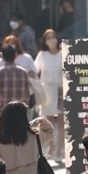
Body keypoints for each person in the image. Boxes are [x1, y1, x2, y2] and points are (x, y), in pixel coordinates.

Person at [34, 29, 64, 162]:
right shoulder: (42, 54)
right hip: (46, 89)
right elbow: (34, 70)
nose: (51, 40)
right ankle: (51, 147)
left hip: (61, 89)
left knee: (62, 122)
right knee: (48, 122)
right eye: (48, 38)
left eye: (53, 37)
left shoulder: (63, 53)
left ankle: (59, 150)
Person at [0, 45, 31, 120]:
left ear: (2, 56)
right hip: (20, 112)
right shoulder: (23, 72)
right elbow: (26, 95)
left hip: (4, 112)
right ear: (15, 55)